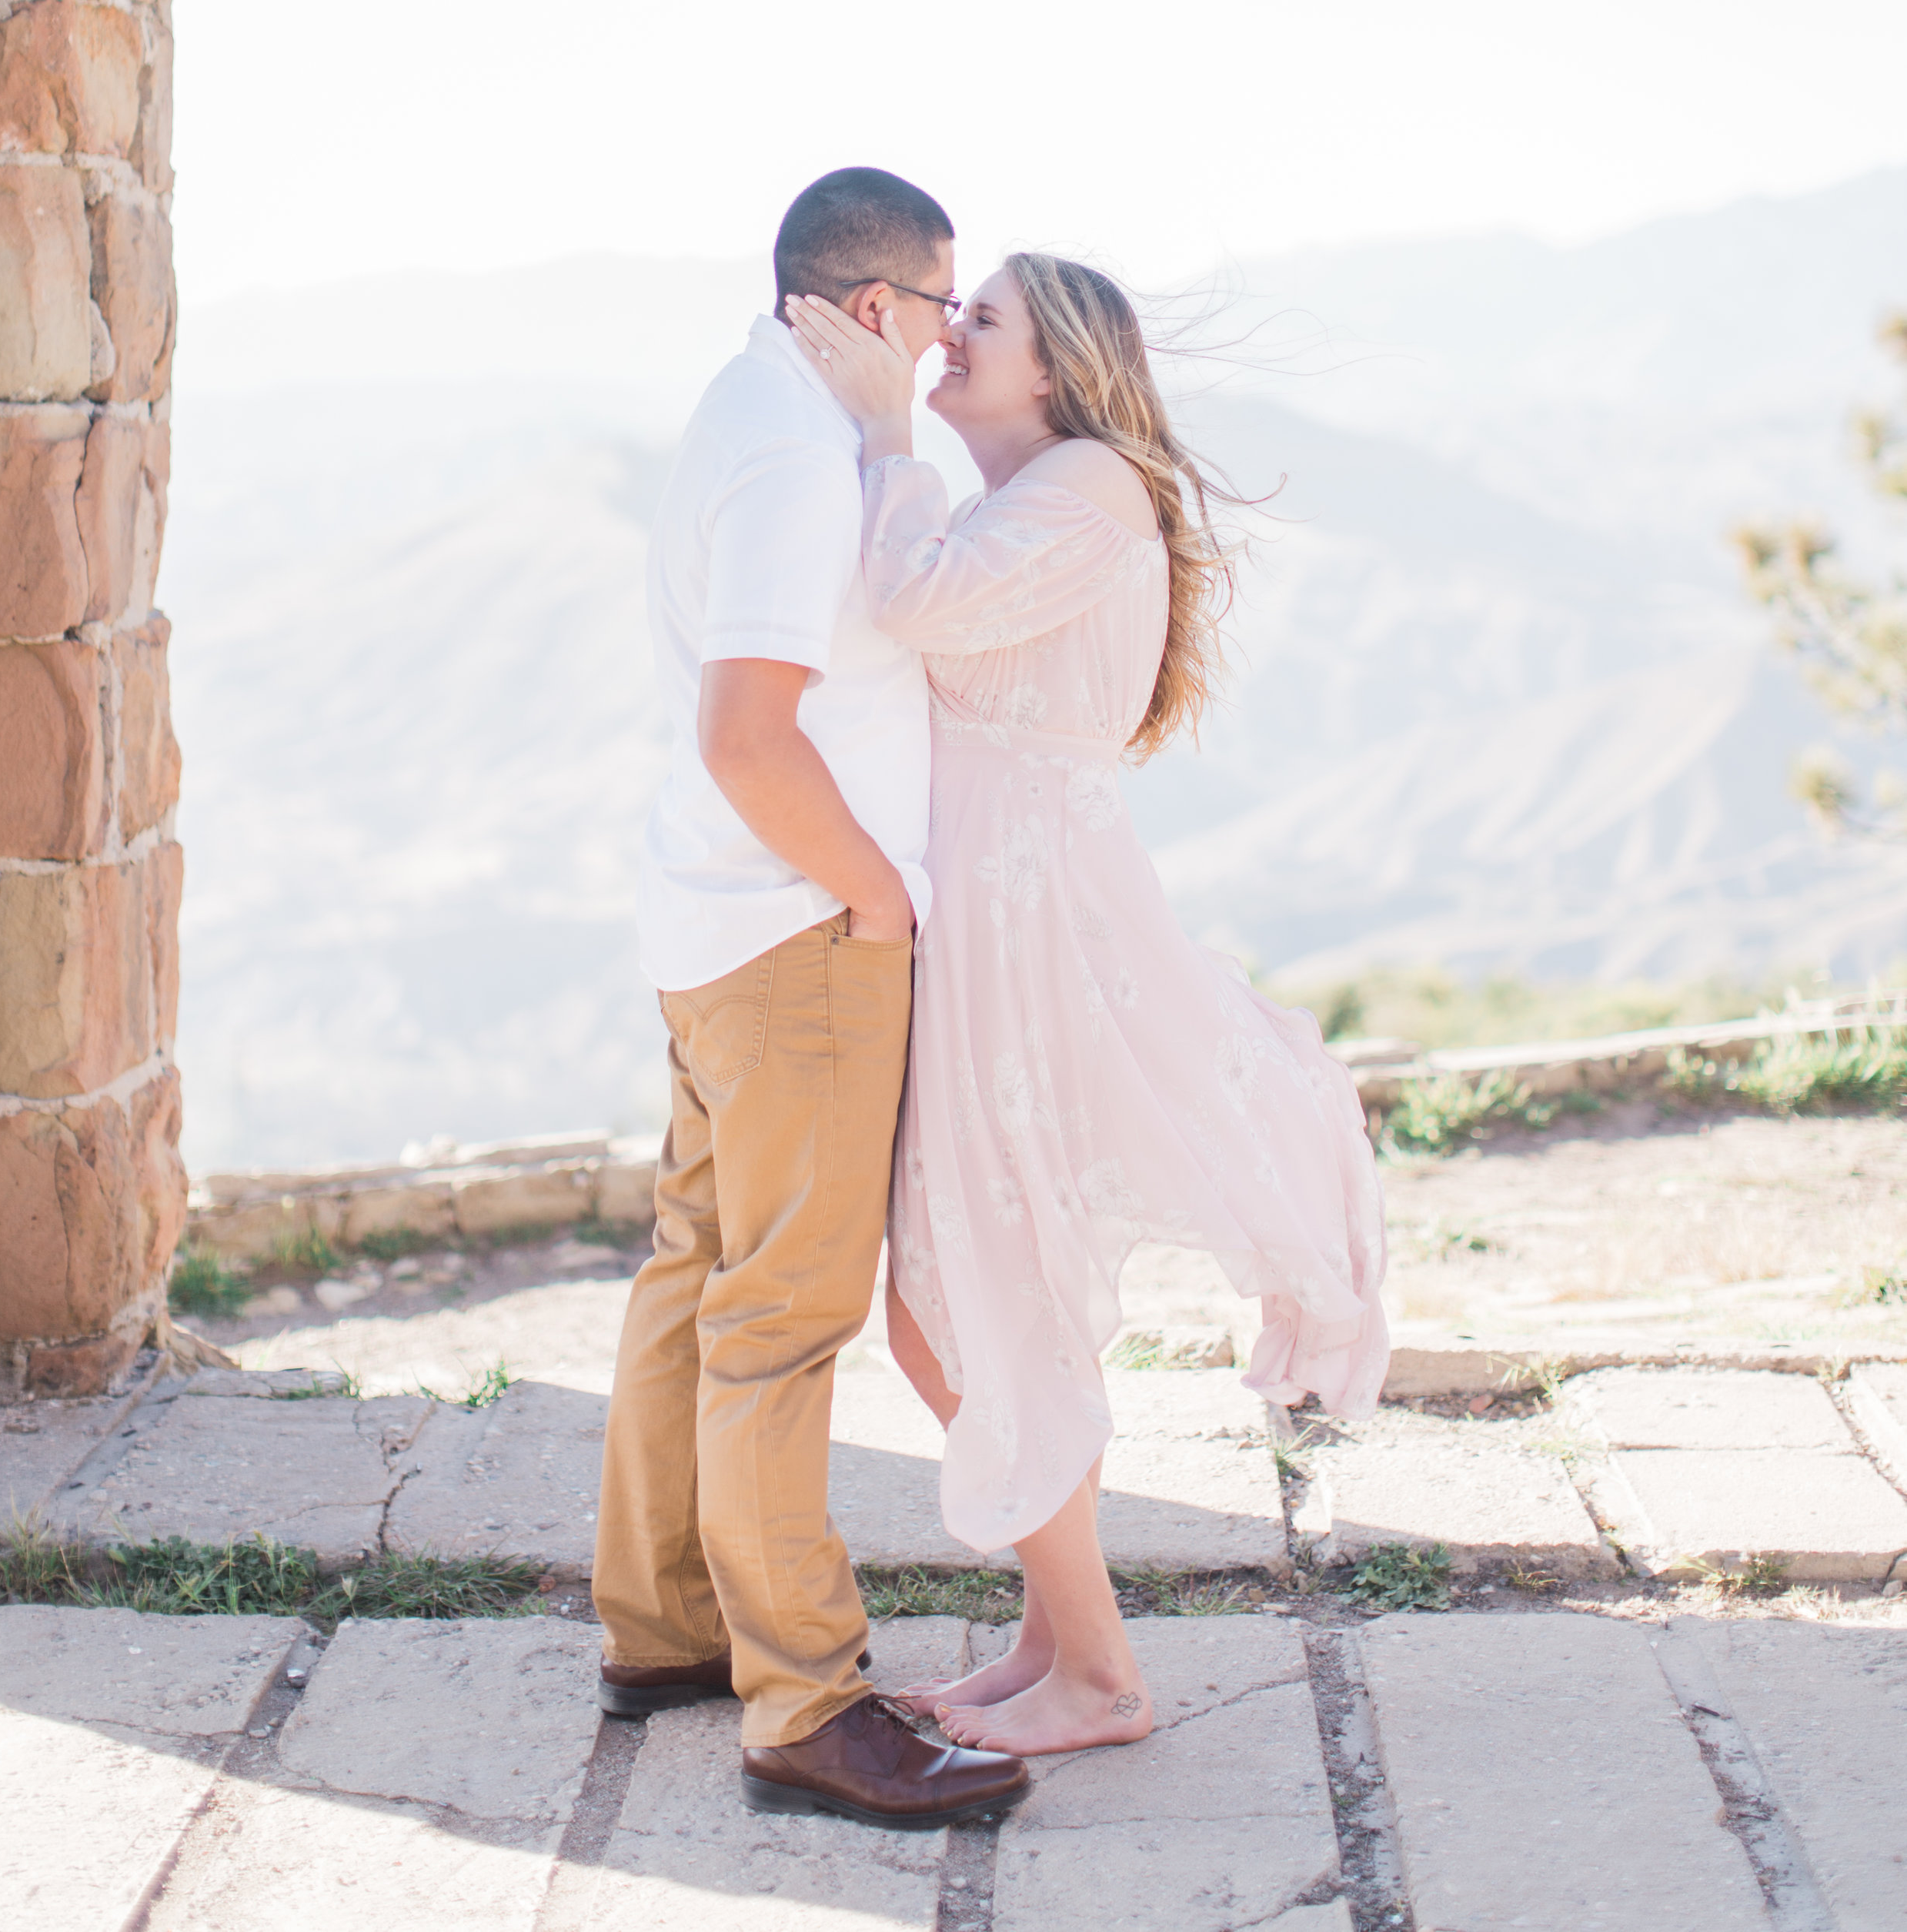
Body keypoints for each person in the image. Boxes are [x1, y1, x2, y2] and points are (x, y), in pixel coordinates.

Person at [785, 253, 1389, 1759]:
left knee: (957, 1302)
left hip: (1024, 926)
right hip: (1005, 907)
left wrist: (876, 436)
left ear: (1049, 364)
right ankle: (1056, 1646)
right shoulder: (1052, 495)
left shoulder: (1085, 488)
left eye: (974, 319)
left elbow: (913, 601)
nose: (940, 338)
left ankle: (1101, 1677)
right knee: (988, 1293)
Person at [591, 168, 1030, 1831]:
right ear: (866, 307)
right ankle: (807, 1703)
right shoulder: (790, 461)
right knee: (784, 1317)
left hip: (715, 925)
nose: (936, 348)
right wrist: (875, 894)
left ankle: (664, 1627)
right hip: (795, 941)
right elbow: (746, 730)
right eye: (931, 309)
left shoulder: (758, 407)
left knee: (699, 1273)